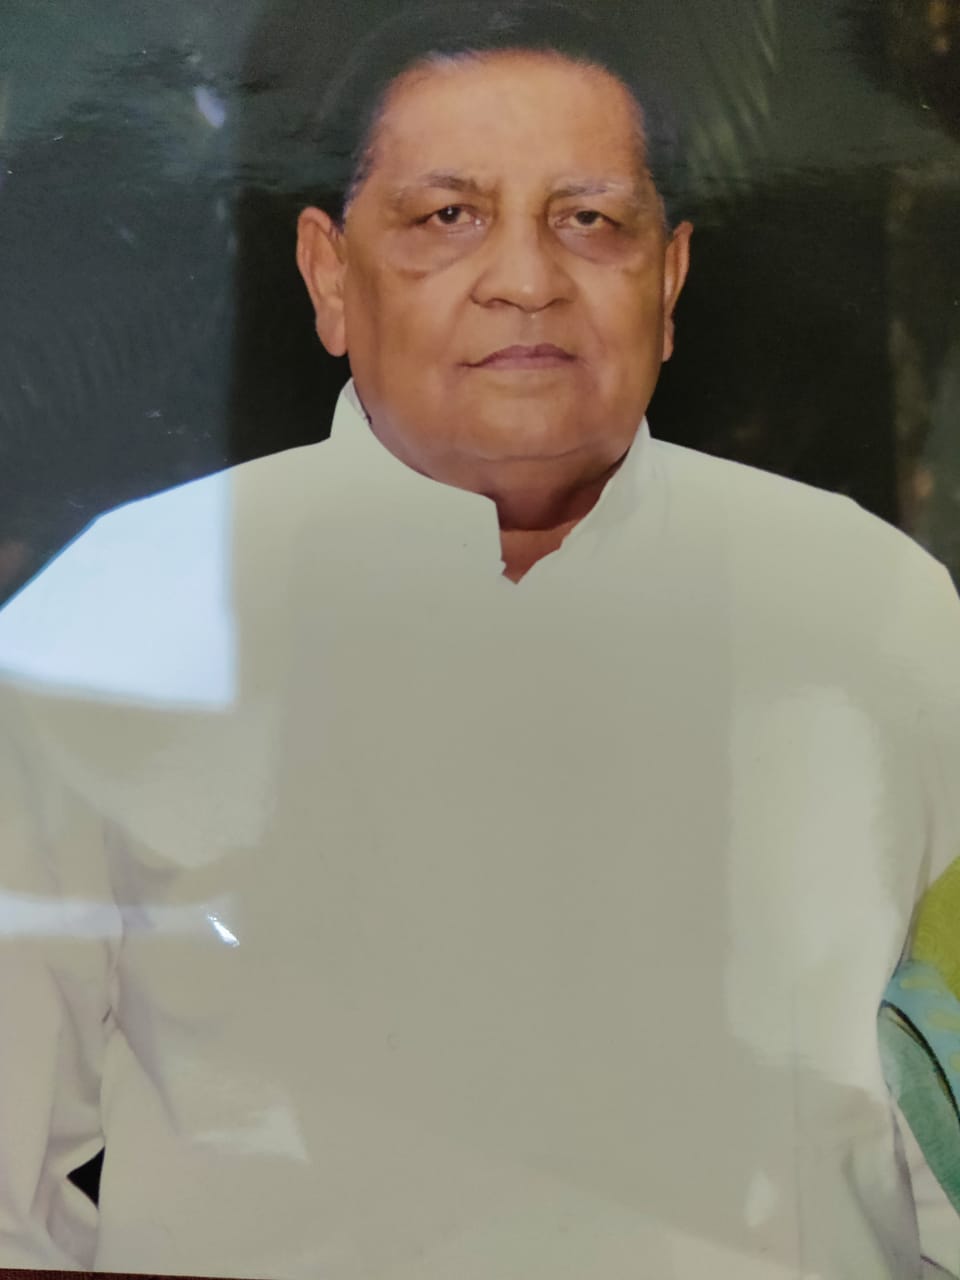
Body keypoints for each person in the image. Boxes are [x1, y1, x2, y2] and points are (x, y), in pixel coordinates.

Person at [0, 2, 958, 1276]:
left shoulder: (870, 607)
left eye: (590, 220)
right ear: (329, 275)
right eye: (448, 216)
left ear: (669, 283)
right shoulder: (122, 613)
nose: (526, 279)